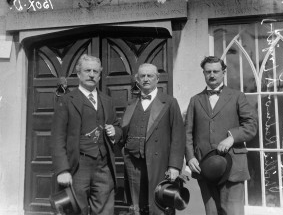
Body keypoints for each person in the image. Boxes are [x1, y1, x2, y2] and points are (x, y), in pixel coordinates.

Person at [185, 56, 258, 215]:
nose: (212, 75)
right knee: (211, 212)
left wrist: (232, 137)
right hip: (205, 167)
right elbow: (187, 133)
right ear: (203, 73)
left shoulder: (237, 96)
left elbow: (251, 126)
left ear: (224, 72)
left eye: (216, 71)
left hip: (233, 167)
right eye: (208, 72)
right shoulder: (195, 100)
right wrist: (190, 157)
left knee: (232, 212)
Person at [51, 54, 122, 215]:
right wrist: (62, 170)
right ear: (78, 74)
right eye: (87, 70)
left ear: (100, 75)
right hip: (78, 165)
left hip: (104, 165)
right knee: (76, 209)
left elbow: (118, 128)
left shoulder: (107, 100)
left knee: (105, 210)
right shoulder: (66, 100)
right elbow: (57, 138)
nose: (91, 74)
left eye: (95, 71)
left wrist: (114, 132)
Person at [121, 63, 186, 215]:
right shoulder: (131, 103)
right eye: (142, 76)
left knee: (159, 206)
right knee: (137, 207)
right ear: (137, 80)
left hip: (159, 164)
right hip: (133, 164)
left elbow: (178, 135)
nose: (146, 79)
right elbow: (123, 130)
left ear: (157, 79)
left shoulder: (169, 102)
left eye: (150, 76)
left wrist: (175, 166)